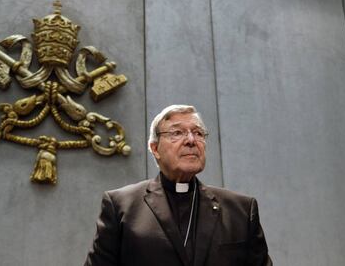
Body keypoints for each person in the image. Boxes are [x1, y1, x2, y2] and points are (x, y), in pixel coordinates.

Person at [85, 104, 272, 266]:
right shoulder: (121, 206)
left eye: (198, 133)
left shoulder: (241, 210)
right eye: (177, 133)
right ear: (155, 148)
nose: (191, 140)